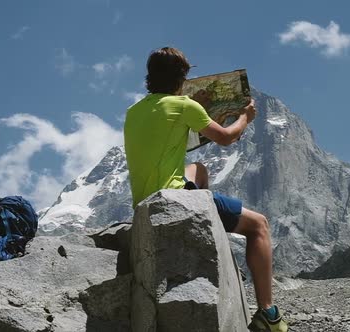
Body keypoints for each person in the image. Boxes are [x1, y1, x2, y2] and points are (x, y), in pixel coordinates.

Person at [123, 46, 288, 332]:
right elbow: (225, 138)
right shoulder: (185, 106)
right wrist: (245, 117)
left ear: (150, 77)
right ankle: (268, 314)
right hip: (173, 197)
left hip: (144, 200)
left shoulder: (134, 112)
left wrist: (193, 104)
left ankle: (210, 227)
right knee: (259, 225)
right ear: (182, 78)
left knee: (199, 169)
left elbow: (171, 139)